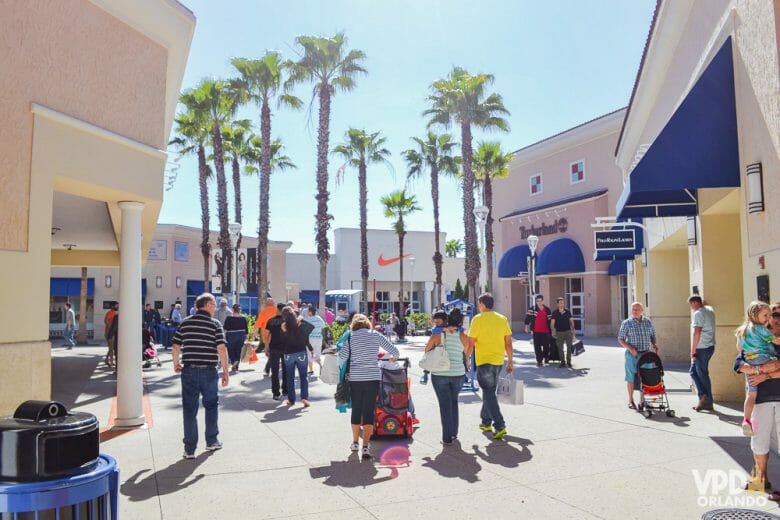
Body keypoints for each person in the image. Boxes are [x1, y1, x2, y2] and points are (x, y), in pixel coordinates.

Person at [172, 293, 229, 459]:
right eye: (214, 304)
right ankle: (211, 441)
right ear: (207, 305)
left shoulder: (185, 322)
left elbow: (175, 346)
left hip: (188, 371)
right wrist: (225, 371)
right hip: (209, 371)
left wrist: (176, 363)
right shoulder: (215, 324)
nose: (216, 308)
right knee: (211, 406)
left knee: (189, 410)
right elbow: (221, 349)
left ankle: (189, 449)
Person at [339, 313, 399, 459]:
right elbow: (395, 351)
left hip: (356, 378)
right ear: (367, 324)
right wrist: (392, 359)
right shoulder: (375, 335)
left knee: (356, 409)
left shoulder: (351, 337)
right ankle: (366, 447)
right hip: (373, 377)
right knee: (368, 410)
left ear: (354, 325)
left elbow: (342, 356)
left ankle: (355, 443)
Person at [468, 293, 513, 440]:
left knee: (488, 393)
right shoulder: (502, 319)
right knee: (490, 392)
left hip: (484, 362)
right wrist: (511, 361)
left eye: (479, 304)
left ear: (482, 304)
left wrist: (466, 359)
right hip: (498, 361)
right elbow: (508, 343)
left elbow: (471, 342)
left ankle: (500, 425)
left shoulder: (477, 319)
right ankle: (486, 422)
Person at [426, 308, 469, 445]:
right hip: (458, 373)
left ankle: (446, 437)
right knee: (453, 402)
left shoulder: (437, 335)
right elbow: (467, 352)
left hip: (440, 374)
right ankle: (454, 434)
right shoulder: (463, 336)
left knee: (444, 405)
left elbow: (427, 350)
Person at [736, 301, 780, 435]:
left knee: (750, 395)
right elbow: (738, 365)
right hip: (763, 360)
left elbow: (740, 348)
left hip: (751, 361)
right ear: (755, 315)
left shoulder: (743, 329)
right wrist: (763, 369)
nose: (769, 318)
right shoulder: (762, 330)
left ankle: (746, 420)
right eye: (772, 315)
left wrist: (756, 369)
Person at [618, 302, 659, 410]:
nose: (635, 311)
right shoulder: (627, 323)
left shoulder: (648, 322)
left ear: (642, 310)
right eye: (633, 309)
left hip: (646, 354)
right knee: (631, 377)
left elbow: (653, 335)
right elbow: (620, 339)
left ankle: (643, 401)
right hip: (632, 355)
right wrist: (631, 349)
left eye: (637, 309)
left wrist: (654, 344)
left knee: (646, 377)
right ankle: (631, 400)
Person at [689, 295, 716, 412]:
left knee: (702, 374)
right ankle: (704, 399)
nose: (691, 308)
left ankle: (706, 399)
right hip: (709, 346)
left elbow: (697, 333)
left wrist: (693, 351)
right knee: (694, 372)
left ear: (694, 303)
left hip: (701, 348)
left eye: (691, 305)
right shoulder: (709, 311)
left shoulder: (698, 313)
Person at [281, 306, 311, 407]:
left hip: (288, 353)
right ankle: (304, 398)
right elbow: (311, 328)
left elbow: (282, 340)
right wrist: (301, 319)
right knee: (303, 376)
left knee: (290, 377)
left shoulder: (284, 326)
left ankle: (291, 400)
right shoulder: (300, 323)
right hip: (301, 352)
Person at [263, 303, 288, 400]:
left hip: (274, 348)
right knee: (286, 370)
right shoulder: (287, 321)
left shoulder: (271, 321)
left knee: (275, 371)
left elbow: (267, 335)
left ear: (277, 310)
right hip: (286, 348)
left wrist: (266, 347)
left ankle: (276, 393)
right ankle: (285, 390)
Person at [420, 310, 449, 385]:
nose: (436, 320)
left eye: (438, 318)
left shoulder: (438, 331)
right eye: (435, 318)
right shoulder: (446, 329)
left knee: (429, 354)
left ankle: (425, 374)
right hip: (448, 355)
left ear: (444, 319)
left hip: (440, 356)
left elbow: (427, 350)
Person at [525, 295, 552, 367]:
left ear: (543, 301)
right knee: (537, 347)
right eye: (538, 301)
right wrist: (526, 327)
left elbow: (550, 320)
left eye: (540, 301)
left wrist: (552, 329)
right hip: (536, 331)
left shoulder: (547, 309)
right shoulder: (533, 309)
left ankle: (546, 357)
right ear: (536, 301)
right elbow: (527, 318)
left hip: (546, 331)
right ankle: (539, 361)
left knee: (546, 346)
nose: (539, 302)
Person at [253, 298, 278, 376]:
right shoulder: (277, 311)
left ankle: (268, 367)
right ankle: (269, 367)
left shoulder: (263, 312)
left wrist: (254, 335)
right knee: (273, 351)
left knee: (270, 351)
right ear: (273, 304)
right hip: (276, 335)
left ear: (266, 304)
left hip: (266, 335)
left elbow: (257, 325)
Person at [550, 297, 576, 368]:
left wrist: (573, 331)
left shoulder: (567, 311)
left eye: (563, 302)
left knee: (569, 347)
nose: (562, 304)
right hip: (559, 332)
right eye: (560, 303)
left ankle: (569, 362)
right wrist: (553, 331)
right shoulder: (555, 313)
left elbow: (571, 322)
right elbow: (552, 323)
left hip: (568, 332)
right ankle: (562, 362)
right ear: (557, 304)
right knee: (560, 348)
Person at [223, 304, 248, 373]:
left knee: (230, 349)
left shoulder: (229, 318)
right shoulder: (243, 318)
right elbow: (246, 329)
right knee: (238, 350)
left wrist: (223, 336)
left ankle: (234, 361)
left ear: (233, 310)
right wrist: (247, 337)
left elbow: (225, 328)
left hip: (231, 335)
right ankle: (236, 366)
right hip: (241, 334)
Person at [304, 307, 326, 375]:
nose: (307, 313)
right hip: (319, 338)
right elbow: (323, 326)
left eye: (308, 311)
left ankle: (311, 370)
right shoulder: (319, 318)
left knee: (309, 353)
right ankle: (321, 366)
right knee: (317, 353)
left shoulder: (307, 319)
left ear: (310, 312)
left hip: (311, 338)